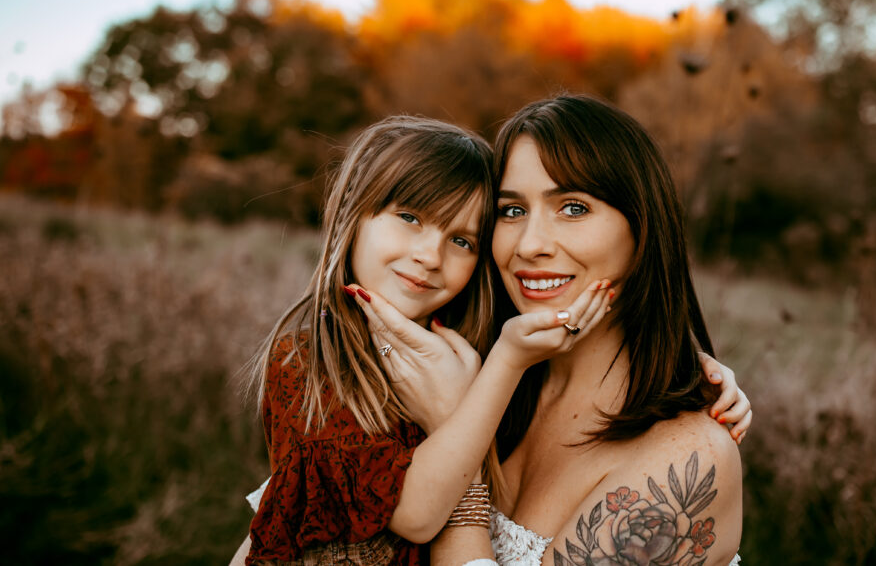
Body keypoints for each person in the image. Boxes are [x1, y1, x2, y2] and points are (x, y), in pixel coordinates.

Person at [231, 112, 749, 565]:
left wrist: (456, 433)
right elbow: (282, 527)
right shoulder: (463, 361)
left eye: (572, 207)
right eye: (512, 210)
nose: (530, 244)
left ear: (644, 228)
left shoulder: (689, 461)